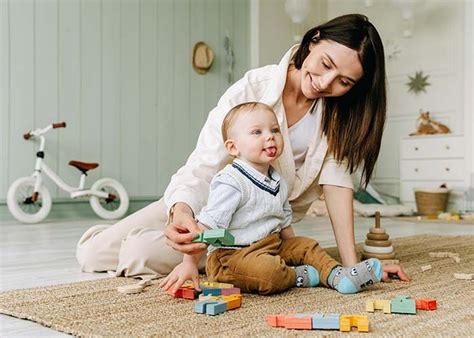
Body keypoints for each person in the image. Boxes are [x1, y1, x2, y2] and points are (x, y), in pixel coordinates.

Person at [76, 14, 409, 283]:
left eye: (343, 81)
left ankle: (238, 256)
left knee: (138, 253)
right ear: (314, 39)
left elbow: (337, 187)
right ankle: (178, 240)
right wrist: (181, 212)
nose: (325, 82)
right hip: (206, 201)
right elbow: (203, 164)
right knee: (91, 253)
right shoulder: (254, 87)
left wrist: (351, 266)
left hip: (256, 227)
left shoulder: (338, 117)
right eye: (325, 64)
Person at [159, 102, 384, 295]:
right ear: (233, 147)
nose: (270, 136)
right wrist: (188, 263)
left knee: (308, 246)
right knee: (270, 272)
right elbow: (207, 226)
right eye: (257, 132)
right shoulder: (231, 181)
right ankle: (297, 275)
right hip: (232, 257)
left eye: (275, 130)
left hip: (271, 245)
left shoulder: (277, 179)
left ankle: (339, 276)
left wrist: (295, 251)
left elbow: (283, 220)